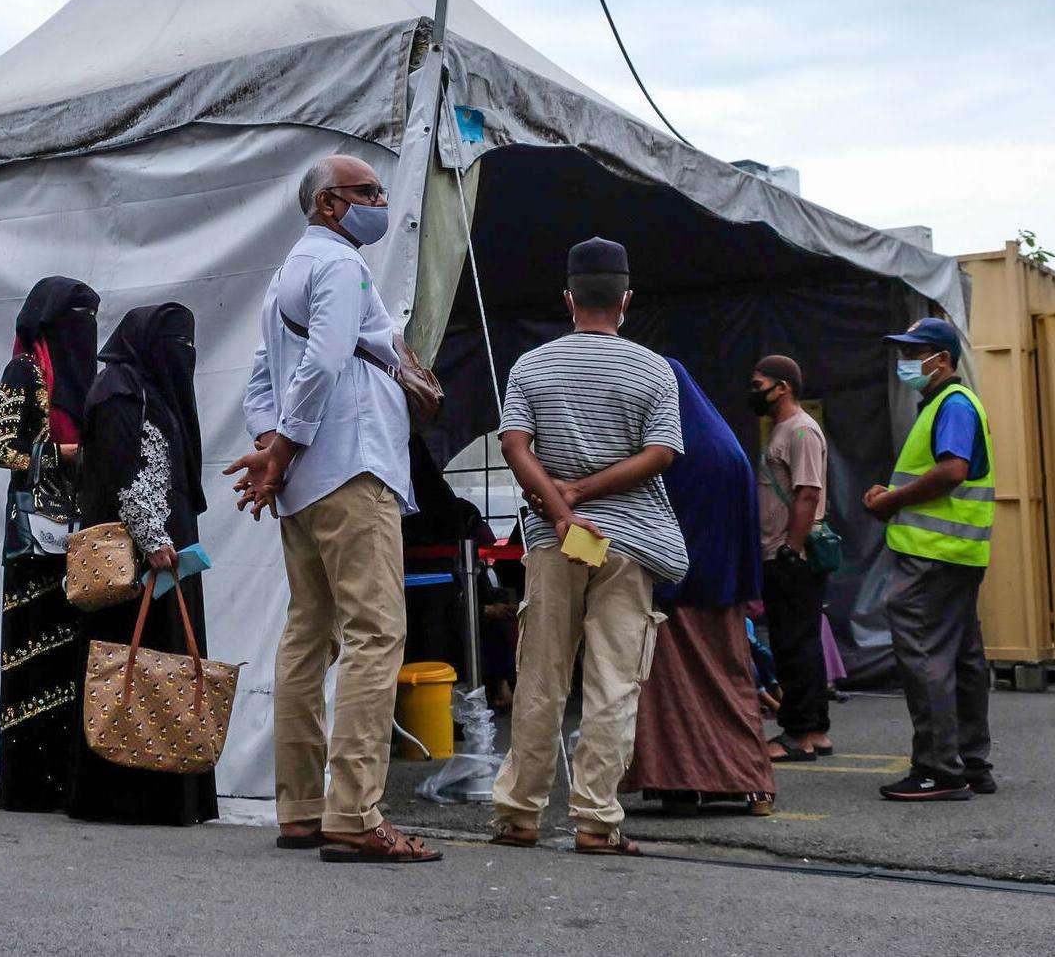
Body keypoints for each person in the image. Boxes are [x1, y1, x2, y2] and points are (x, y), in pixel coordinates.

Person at [228, 154, 439, 865]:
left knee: (306, 637)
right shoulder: (343, 267)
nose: (380, 201)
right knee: (374, 634)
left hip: (306, 484)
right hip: (352, 467)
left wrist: (274, 449)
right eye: (366, 192)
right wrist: (282, 449)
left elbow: (262, 381)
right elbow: (320, 362)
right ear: (327, 205)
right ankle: (353, 814)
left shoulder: (287, 275)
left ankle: (301, 810)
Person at [487, 237, 686, 858]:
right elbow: (661, 454)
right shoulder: (654, 369)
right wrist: (585, 492)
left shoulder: (531, 366)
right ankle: (597, 822)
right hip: (628, 542)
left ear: (569, 299)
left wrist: (562, 507)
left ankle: (519, 815)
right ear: (626, 300)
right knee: (613, 681)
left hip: (557, 542)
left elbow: (514, 446)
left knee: (541, 676)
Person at [68, 302, 218, 826]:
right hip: (140, 556)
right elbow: (121, 471)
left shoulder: (147, 389)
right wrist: (153, 536)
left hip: (165, 549)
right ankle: (132, 795)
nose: (183, 356)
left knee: (164, 661)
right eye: (175, 344)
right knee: (135, 662)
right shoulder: (120, 393)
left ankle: (168, 791)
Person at [623, 358, 775, 815]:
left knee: (670, 692)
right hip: (723, 590)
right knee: (729, 684)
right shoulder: (726, 447)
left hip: (675, 587)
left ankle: (680, 786)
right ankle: (751, 784)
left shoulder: (673, 450)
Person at [866, 317, 996, 802]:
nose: (904, 361)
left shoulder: (952, 404)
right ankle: (971, 764)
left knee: (924, 656)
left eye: (913, 352)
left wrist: (891, 501)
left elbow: (952, 470)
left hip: (931, 557)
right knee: (962, 659)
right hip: (957, 554)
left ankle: (939, 770)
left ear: (941, 359)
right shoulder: (947, 404)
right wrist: (891, 493)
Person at [0, 276, 99, 813]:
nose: (85, 330)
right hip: (34, 537)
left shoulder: (85, 377)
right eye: (78, 318)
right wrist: (58, 455)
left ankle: (65, 779)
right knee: (32, 647)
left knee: (71, 653)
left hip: (77, 534)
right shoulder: (25, 370)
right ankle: (29, 785)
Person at [750, 354, 833, 762]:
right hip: (783, 552)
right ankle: (815, 729)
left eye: (758, 384)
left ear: (782, 387)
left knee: (792, 645)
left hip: (789, 556)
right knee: (802, 642)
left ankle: (798, 735)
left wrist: (790, 548)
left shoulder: (800, 431)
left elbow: (808, 493)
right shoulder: (784, 430)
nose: (753, 392)